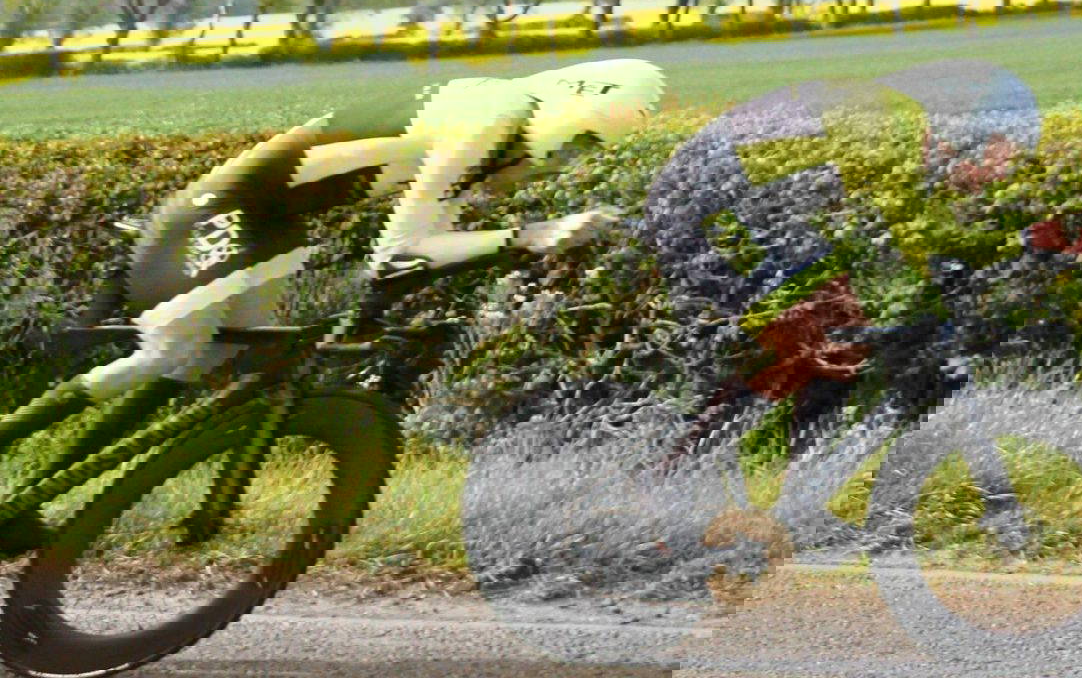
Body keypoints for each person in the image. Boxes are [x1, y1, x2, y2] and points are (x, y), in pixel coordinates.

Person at [64, 58, 666, 407]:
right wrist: (530, 235)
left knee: (221, 363)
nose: (570, 162)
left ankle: (102, 483)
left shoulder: (506, 145)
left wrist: (520, 240)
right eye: (581, 141)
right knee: (168, 357)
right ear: (574, 102)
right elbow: (400, 250)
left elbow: (417, 250)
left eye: (591, 150)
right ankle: (30, 464)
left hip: (275, 222)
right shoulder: (496, 112)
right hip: (233, 207)